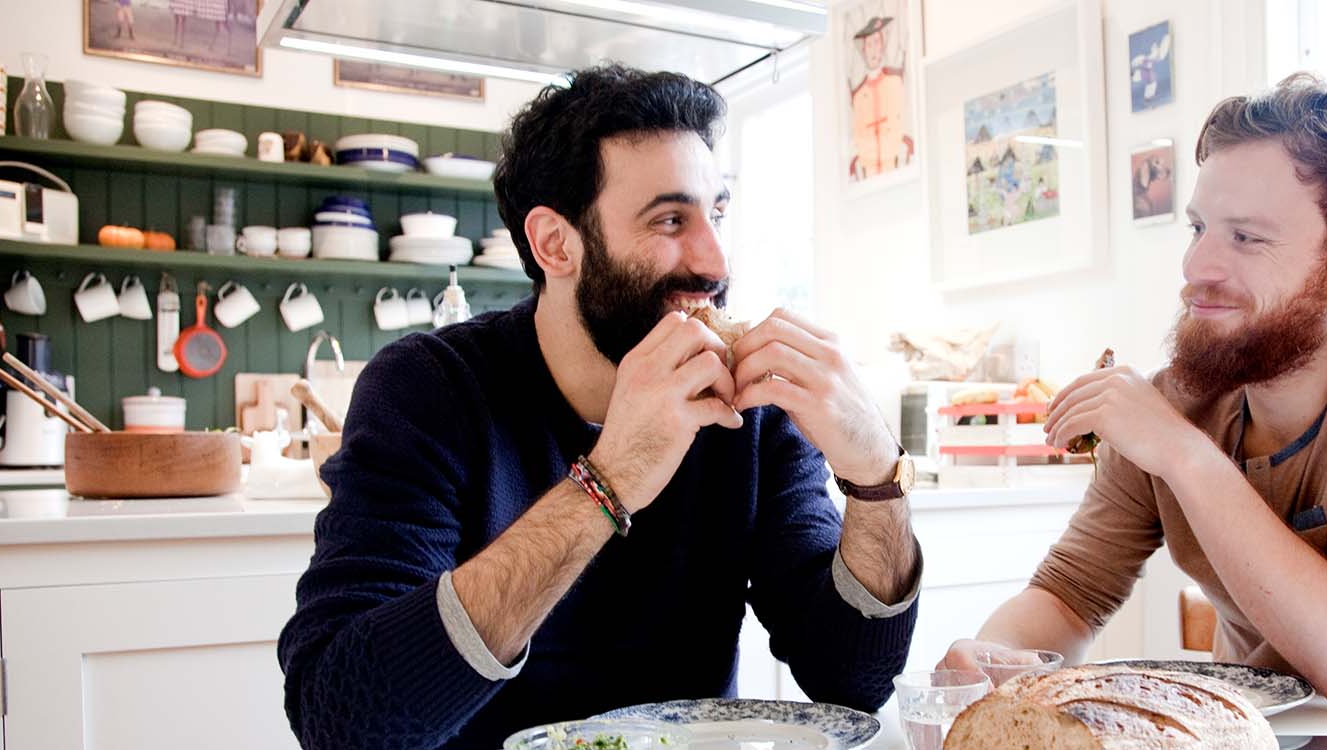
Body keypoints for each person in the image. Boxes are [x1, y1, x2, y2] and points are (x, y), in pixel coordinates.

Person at [279, 65, 922, 750]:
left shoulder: (751, 410)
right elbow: (342, 721)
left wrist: (878, 478)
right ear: (556, 243)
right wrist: (607, 482)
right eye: (670, 219)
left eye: (718, 212)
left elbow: (852, 678)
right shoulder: (428, 389)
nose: (715, 260)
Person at [941, 73, 1327, 717]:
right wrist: (993, 656)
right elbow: (1070, 594)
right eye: (1198, 229)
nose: (1196, 268)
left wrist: (1183, 454)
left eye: (1247, 236)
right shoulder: (1176, 402)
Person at [849, 16, 912, 180]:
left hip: (898, 167)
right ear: (863, 50)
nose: (873, 50)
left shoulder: (895, 82)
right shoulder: (858, 96)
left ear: (883, 46)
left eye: (877, 42)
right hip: (868, 176)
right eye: (869, 44)